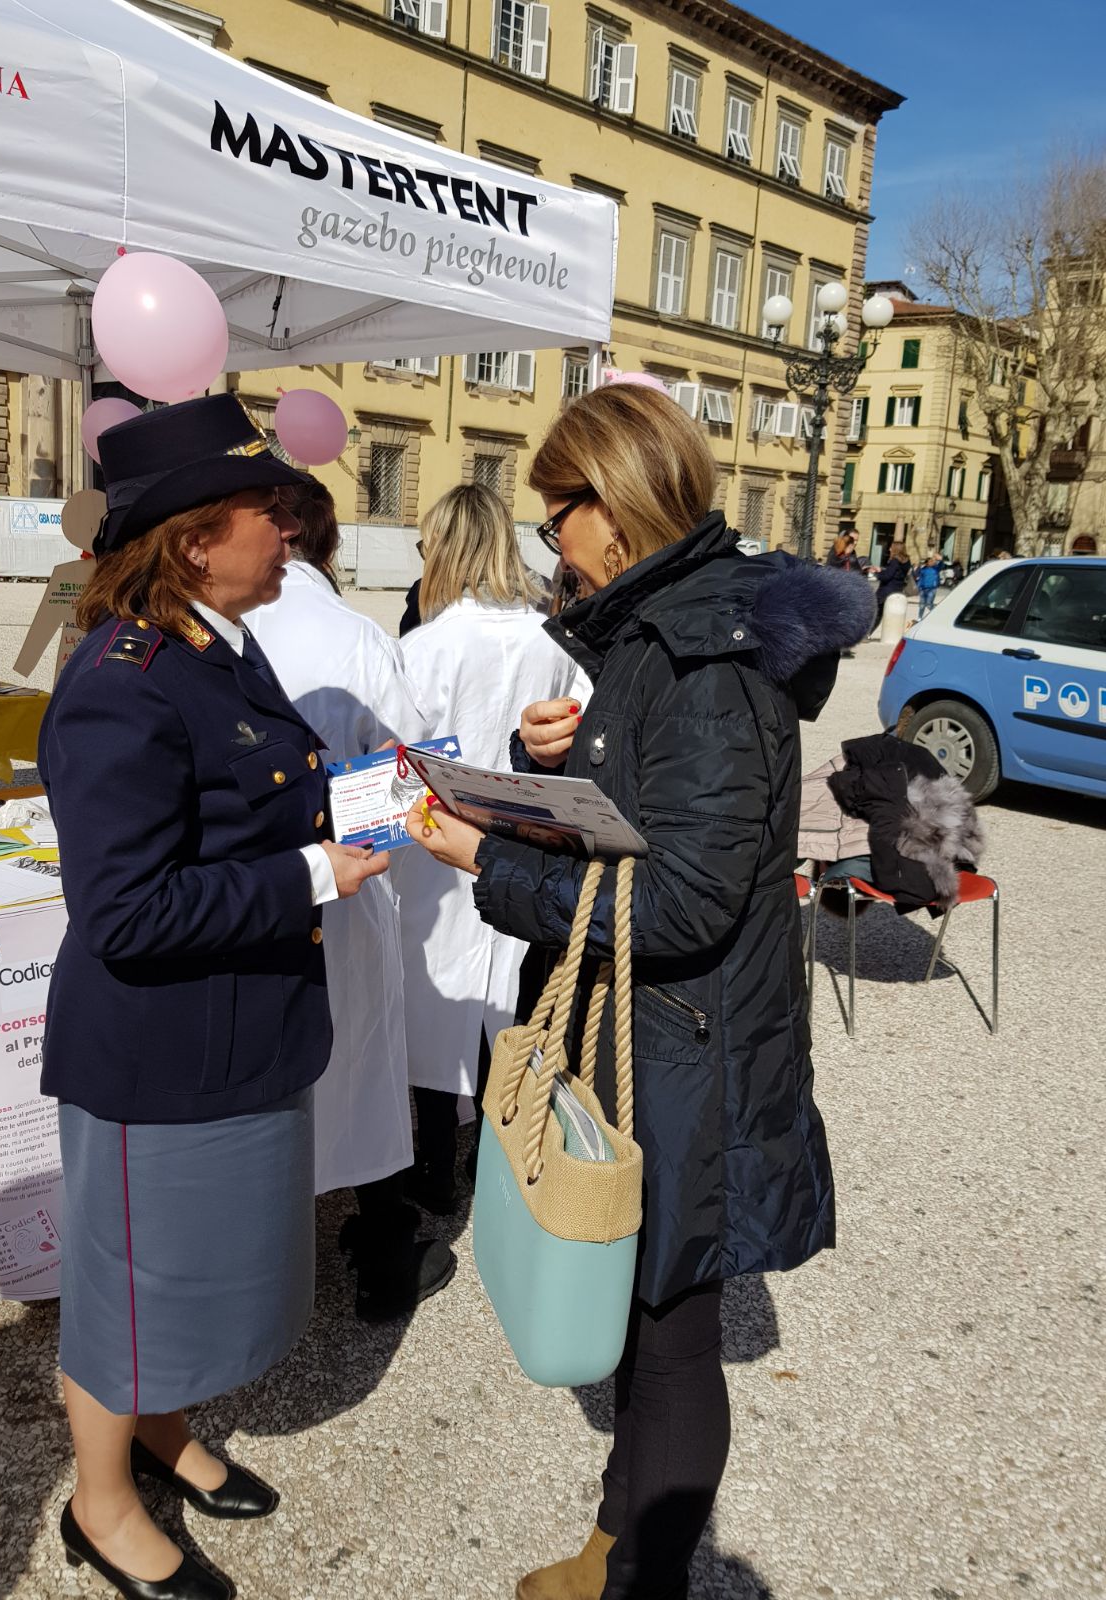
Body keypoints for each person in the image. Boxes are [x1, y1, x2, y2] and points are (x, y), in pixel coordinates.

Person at [404, 384, 873, 1600]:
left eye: (555, 513)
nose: (547, 541)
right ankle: (617, 1550)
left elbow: (678, 905)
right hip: (660, 1037)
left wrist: (486, 860)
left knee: (669, 1342)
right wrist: (544, 764)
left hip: (690, 1049)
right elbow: (638, 831)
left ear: (610, 507)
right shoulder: (655, 623)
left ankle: (639, 1584)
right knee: (645, 1327)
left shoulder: (705, 656)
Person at [40, 396, 389, 1600]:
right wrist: (310, 873)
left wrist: (363, 807)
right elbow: (126, 910)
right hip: (153, 1056)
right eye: (271, 511)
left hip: (232, 1033)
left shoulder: (214, 644)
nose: (292, 530)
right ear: (195, 537)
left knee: (181, 1277)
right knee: (129, 1289)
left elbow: (251, 799)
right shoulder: (121, 679)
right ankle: (101, 1502)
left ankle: (158, 1427)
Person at [247, 477, 457, 1318]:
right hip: (348, 882)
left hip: (245, 894)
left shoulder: (214, 629)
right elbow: (410, 771)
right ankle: (381, 1257)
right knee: (363, 1069)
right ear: (323, 544)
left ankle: (262, 1262)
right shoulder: (353, 636)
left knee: (270, 1078)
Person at [393, 483, 586, 1214]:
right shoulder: (553, 638)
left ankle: (438, 1164)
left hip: (439, 842)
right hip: (525, 837)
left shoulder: (425, 647)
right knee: (508, 994)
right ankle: (497, 1157)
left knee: (436, 999)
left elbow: (398, 755)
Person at [873, 539, 911, 632]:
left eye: (891, 547)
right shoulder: (906, 562)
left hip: (886, 591)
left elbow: (887, 577)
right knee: (887, 614)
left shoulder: (894, 561)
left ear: (895, 549)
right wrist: (881, 570)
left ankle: (867, 633)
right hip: (897, 590)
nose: (889, 549)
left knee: (876, 613)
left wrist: (876, 574)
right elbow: (896, 575)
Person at [915, 553, 942, 618]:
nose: (932, 562)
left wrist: (940, 560)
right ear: (927, 563)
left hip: (932, 589)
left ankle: (936, 616)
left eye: (932, 561)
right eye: (930, 561)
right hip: (923, 589)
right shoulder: (923, 569)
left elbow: (941, 565)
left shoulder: (936, 569)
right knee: (922, 605)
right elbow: (919, 577)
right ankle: (919, 618)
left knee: (929, 605)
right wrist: (918, 587)